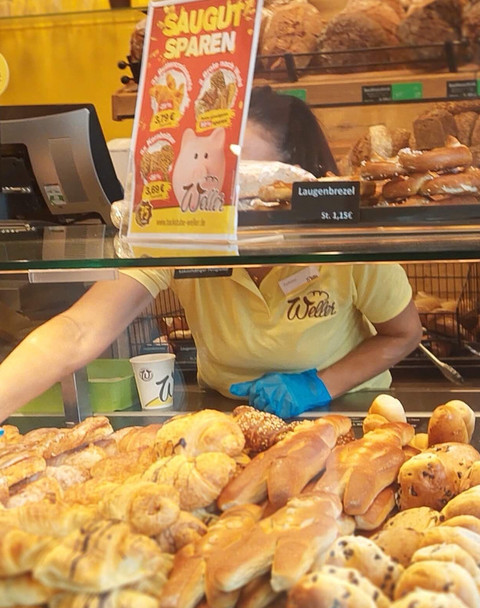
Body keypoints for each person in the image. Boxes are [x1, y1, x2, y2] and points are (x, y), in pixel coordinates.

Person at [0, 89, 421, 420]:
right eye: (215, 167)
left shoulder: (342, 237)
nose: (222, 188)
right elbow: (78, 330)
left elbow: (403, 334)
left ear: (293, 178)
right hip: (226, 414)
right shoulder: (184, 226)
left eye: (248, 176)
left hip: (350, 411)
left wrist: (320, 385)